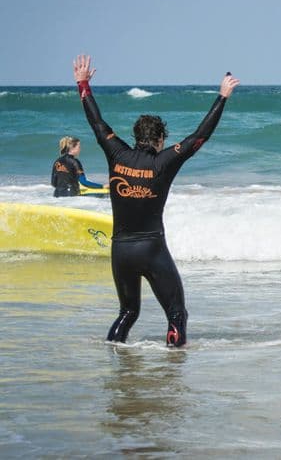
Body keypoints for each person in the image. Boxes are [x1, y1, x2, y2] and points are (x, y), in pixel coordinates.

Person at [73, 54, 240, 347]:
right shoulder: (165, 161)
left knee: (128, 312)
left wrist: (83, 83)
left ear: (135, 137)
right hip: (151, 248)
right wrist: (222, 97)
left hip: (121, 251)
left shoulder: (116, 152)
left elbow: (96, 123)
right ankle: (173, 369)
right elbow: (200, 135)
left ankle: (113, 362)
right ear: (161, 140)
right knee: (176, 314)